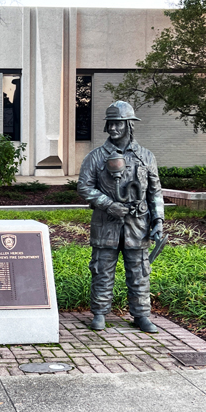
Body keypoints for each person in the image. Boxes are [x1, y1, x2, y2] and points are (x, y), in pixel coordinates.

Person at [77, 101, 164, 333]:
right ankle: (99, 313)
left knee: (140, 271)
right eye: (110, 124)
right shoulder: (96, 157)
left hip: (138, 224)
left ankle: (141, 315)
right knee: (102, 269)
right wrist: (108, 205)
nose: (113, 128)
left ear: (129, 125)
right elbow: (84, 187)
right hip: (106, 224)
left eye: (118, 123)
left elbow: (155, 191)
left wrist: (158, 221)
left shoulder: (146, 156)